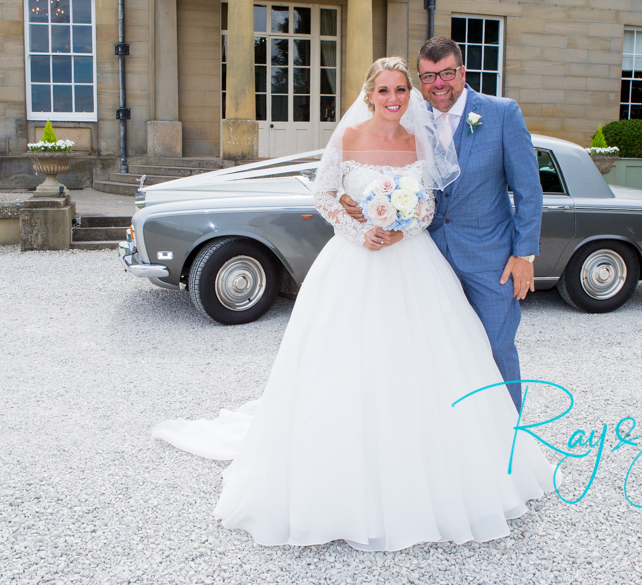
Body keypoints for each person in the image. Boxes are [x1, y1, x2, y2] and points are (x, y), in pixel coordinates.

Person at [152, 57, 556, 551]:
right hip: (355, 262)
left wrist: (402, 223)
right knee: (345, 363)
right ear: (368, 95)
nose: (394, 98)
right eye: (384, 89)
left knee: (444, 358)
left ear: (413, 94)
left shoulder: (417, 139)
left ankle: (483, 458)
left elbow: (427, 202)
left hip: (414, 260)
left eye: (402, 89)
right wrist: (361, 229)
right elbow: (324, 195)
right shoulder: (348, 138)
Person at [340, 39, 542, 412]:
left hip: (489, 260)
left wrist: (524, 253)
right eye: (430, 76)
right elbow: (371, 170)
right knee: (434, 355)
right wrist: (349, 199)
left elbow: (529, 190)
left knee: (496, 347)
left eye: (447, 73)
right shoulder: (410, 121)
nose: (439, 83)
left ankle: (510, 437)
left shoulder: (501, 113)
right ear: (420, 80)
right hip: (425, 258)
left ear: (462, 72)